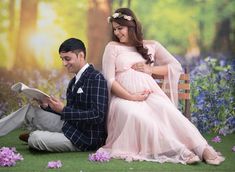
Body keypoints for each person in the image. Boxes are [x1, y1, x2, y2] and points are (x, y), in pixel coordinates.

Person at [98, 8, 225, 165]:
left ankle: (201, 148)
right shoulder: (112, 47)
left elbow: (174, 66)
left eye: (120, 28)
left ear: (132, 27)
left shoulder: (151, 45)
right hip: (123, 100)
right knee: (139, 117)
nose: (117, 33)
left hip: (150, 95)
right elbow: (110, 80)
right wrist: (131, 96)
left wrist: (149, 69)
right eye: (115, 29)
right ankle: (180, 150)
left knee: (171, 114)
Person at [0, 38, 109, 152]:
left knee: (35, 138)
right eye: (62, 59)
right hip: (69, 126)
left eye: (67, 59)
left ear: (81, 56)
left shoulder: (96, 78)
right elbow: (70, 112)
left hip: (84, 139)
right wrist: (48, 107)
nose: (64, 63)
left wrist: (63, 110)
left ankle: (40, 137)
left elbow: (98, 115)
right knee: (29, 111)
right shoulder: (73, 82)